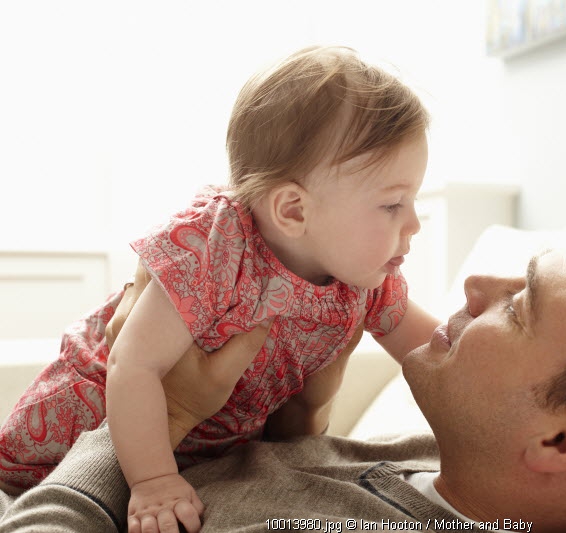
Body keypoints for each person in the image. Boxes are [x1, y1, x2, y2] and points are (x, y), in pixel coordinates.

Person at [0, 225, 566, 532]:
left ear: (564, 438)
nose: (478, 289)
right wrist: (299, 414)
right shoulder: (435, 464)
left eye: (521, 308)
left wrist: (157, 416)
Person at [0, 45, 439, 531]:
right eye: (393, 204)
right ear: (293, 210)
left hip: (196, 456)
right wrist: (152, 481)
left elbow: (436, 355)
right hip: (73, 445)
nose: (415, 223)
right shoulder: (216, 246)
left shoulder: (364, 276)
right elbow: (134, 363)